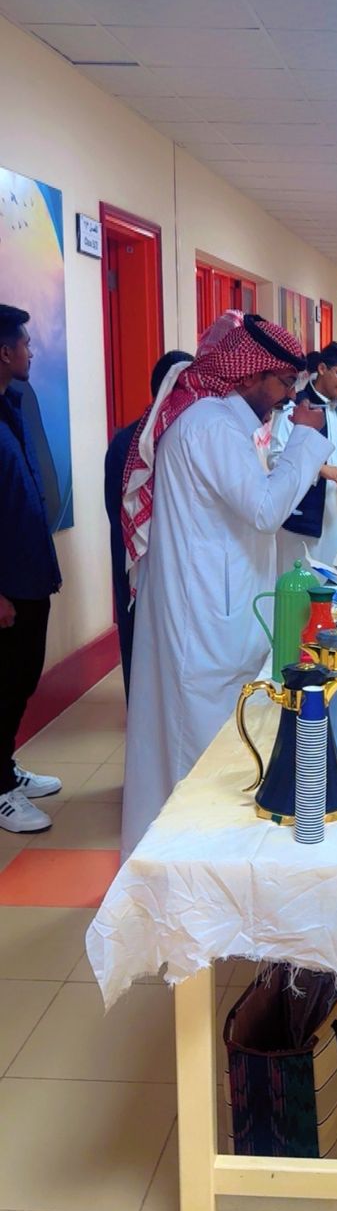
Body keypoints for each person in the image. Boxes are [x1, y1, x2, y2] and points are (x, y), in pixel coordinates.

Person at [120, 310, 331, 858]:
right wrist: (307, 440)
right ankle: (189, 869)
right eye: (283, 381)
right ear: (248, 373)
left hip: (217, 600)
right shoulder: (211, 424)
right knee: (202, 754)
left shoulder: (224, 422)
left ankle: (197, 863)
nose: (290, 395)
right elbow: (263, 510)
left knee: (209, 745)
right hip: (206, 615)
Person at [0, 305, 63, 834]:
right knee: (4, 681)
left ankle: (4, 766)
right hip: (6, 586)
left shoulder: (11, 405)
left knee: (21, 676)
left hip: (28, 574)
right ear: (4, 352)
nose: (31, 351)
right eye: (24, 343)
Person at [104, 349, 192, 700]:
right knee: (140, 632)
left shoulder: (179, 433)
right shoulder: (135, 441)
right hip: (139, 559)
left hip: (163, 558)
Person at [272, 341, 337, 574]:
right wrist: (321, 469)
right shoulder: (297, 406)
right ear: (322, 368)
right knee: (301, 575)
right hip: (303, 511)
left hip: (335, 509)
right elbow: (277, 458)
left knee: (333, 573)